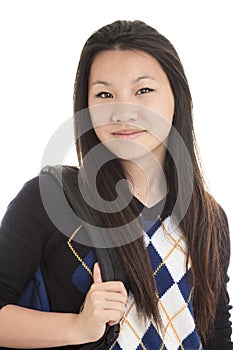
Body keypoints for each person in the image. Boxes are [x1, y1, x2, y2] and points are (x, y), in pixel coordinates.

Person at [0, 19, 232, 350]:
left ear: (176, 96)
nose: (123, 111)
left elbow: (216, 333)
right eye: (105, 94)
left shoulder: (209, 217)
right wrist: (77, 327)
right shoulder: (49, 198)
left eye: (143, 90)